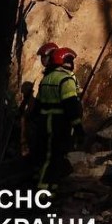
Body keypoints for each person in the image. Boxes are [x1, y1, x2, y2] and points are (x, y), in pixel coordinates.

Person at [35, 46, 83, 192]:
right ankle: (43, 191)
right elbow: (71, 106)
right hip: (59, 123)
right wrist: (79, 128)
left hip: (44, 121)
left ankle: (52, 188)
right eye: (70, 61)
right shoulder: (66, 79)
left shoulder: (47, 78)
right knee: (54, 157)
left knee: (49, 155)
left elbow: (38, 103)